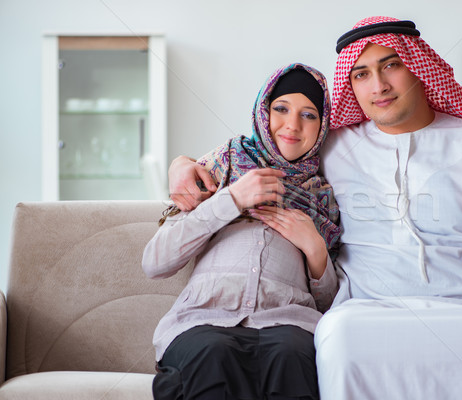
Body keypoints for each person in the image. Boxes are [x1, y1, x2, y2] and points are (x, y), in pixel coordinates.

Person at [166, 17, 462, 400]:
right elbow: (254, 150)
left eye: (391, 66)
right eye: (361, 74)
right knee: (340, 334)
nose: (378, 86)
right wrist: (182, 165)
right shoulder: (329, 147)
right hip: (372, 316)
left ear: (419, 68)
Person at [142, 63, 340, 400]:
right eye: (281, 109)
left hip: (289, 324)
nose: (292, 125)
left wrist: (316, 249)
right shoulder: (218, 168)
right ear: (264, 111)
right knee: (212, 353)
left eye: (308, 115)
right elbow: (155, 262)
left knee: (290, 356)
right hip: (203, 318)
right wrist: (232, 199)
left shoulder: (322, 197)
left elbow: (329, 305)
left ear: (322, 127)